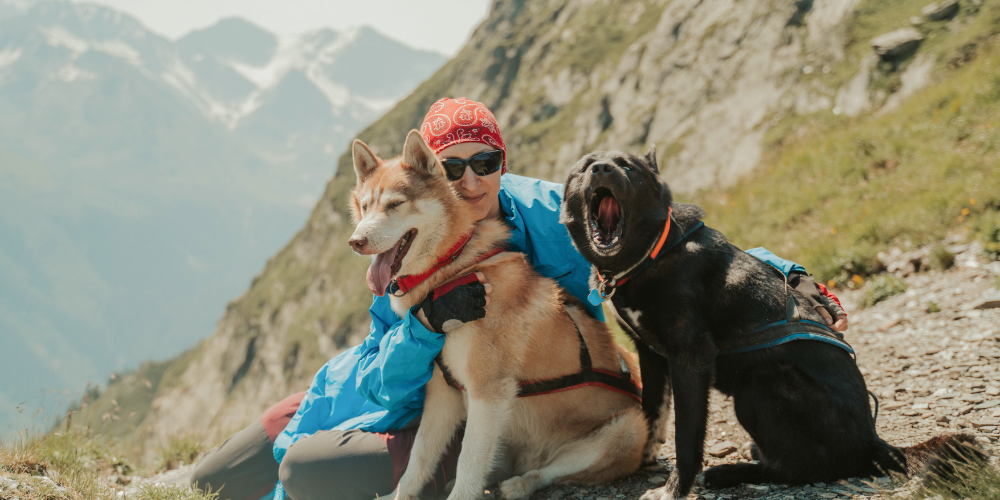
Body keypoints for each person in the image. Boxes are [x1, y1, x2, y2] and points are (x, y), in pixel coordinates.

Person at [189, 98, 848, 500]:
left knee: (306, 473)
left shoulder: (549, 216)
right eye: (454, 166)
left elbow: (672, 246)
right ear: (427, 175)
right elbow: (379, 356)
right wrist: (424, 328)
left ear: (505, 160)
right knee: (217, 475)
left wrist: (785, 272)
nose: (473, 178)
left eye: (488, 160)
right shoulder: (407, 239)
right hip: (401, 386)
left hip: (498, 412)